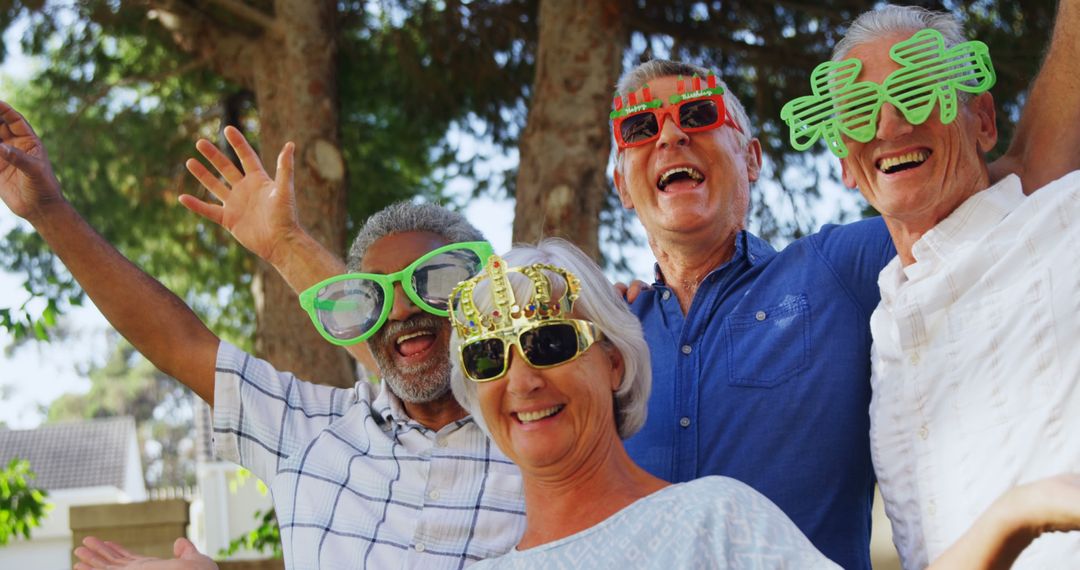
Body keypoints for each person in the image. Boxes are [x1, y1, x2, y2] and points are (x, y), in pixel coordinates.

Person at [74, 240, 1080, 570]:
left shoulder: (711, 521)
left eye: (551, 343)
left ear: (612, 362)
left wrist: (1012, 515)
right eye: (493, 358)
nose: (524, 378)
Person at [609, 2, 1079, 567]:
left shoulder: (836, 272)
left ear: (753, 158)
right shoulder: (602, 337)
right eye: (639, 128)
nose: (670, 137)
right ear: (621, 186)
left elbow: (978, 189)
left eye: (700, 113)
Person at [0, 113, 526, 568]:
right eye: (376, 296)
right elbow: (177, 342)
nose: (404, 308)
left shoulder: (545, 434)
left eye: (435, 281)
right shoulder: (311, 432)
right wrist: (49, 210)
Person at [786, 4, 1080, 568]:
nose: (890, 124)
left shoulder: (1062, 222)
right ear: (845, 163)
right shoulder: (877, 328)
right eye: (858, 109)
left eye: (920, 89)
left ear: (984, 122)